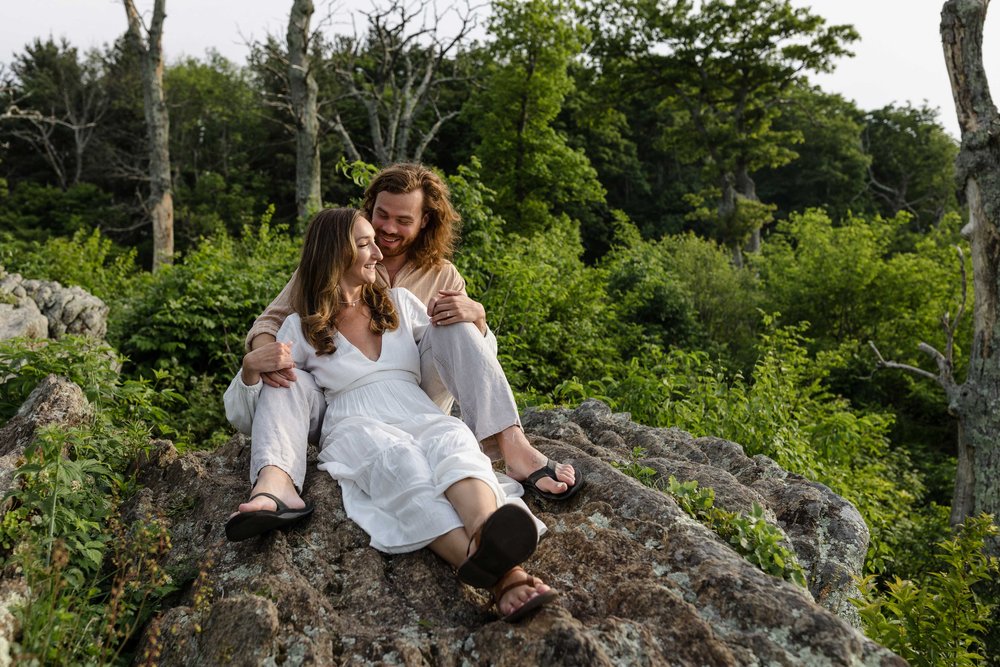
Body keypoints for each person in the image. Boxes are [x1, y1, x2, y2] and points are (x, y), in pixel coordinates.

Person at [229, 208, 558, 621]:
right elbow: (253, 413)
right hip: (355, 422)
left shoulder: (400, 302)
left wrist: (477, 318)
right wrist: (250, 368)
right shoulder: (299, 327)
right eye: (364, 244)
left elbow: (464, 357)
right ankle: (505, 577)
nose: (378, 255)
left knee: (454, 444)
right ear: (335, 254)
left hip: (419, 409)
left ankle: (487, 531)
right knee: (401, 466)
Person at [225, 163, 582, 533]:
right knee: (291, 378)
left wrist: (477, 316)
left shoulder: (443, 274)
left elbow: (471, 354)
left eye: (403, 220)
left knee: (455, 321)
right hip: (343, 401)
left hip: (416, 394)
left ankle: (514, 447)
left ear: (425, 221)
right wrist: (272, 358)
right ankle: (277, 484)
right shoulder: (334, 262)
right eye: (381, 214)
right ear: (369, 208)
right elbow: (271, 323)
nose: (388, 229)